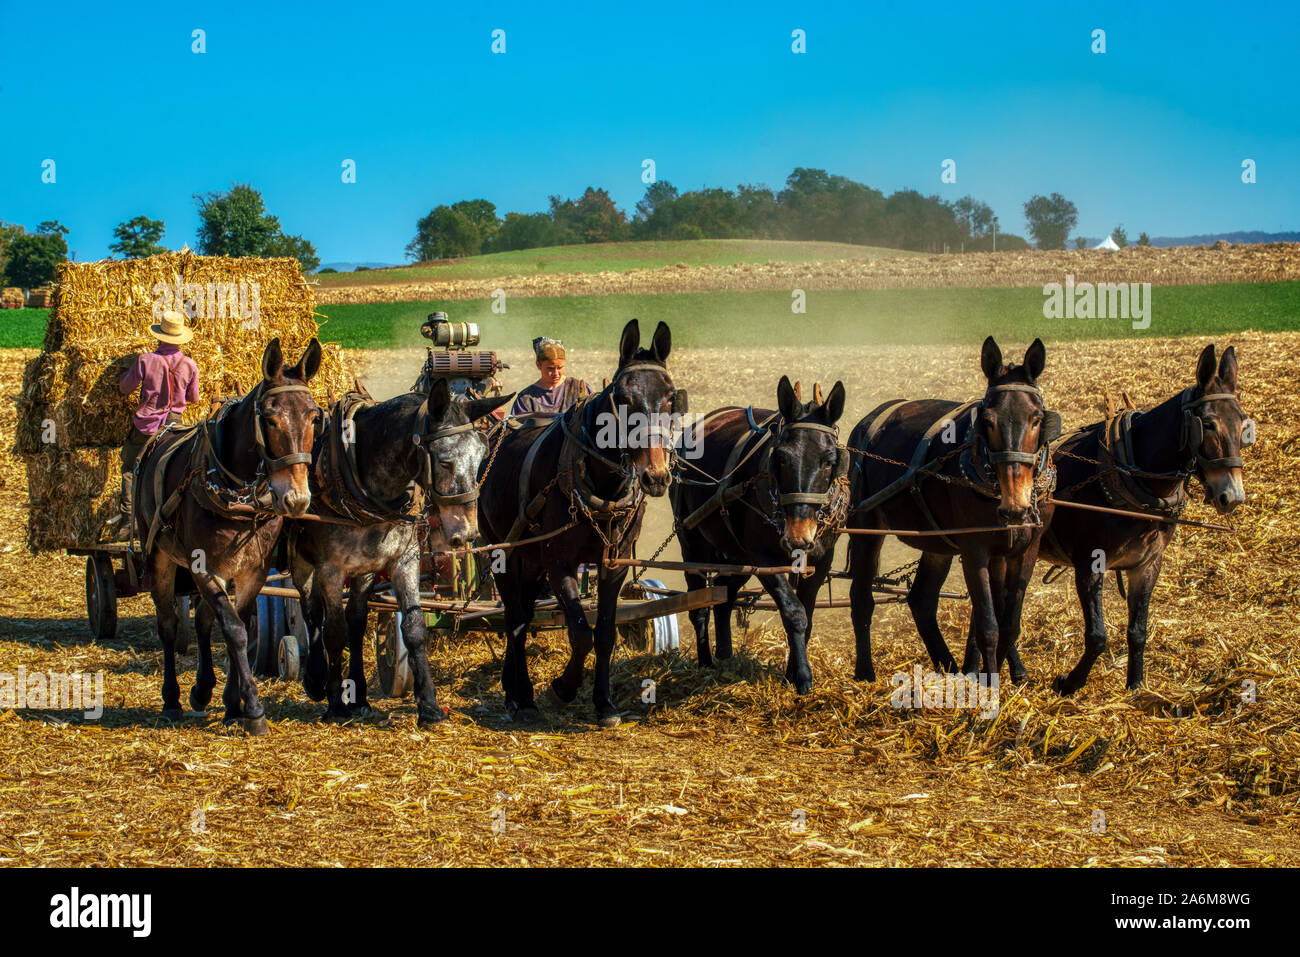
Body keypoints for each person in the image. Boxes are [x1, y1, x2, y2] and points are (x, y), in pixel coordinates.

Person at [106, 310, 200, 540]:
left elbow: (124, 388)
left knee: (129, 467)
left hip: (146, 425)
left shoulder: (145, 360)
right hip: (174, 426)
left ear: (159, 336)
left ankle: (129, 523)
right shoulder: (189, 364)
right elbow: (194, 398)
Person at [510, 337, 591, 417]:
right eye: (550, 368)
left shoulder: (579, 389)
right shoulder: (526, 399)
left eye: (559, 368)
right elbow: (517, 427)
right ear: (538, 365)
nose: (556, 373)